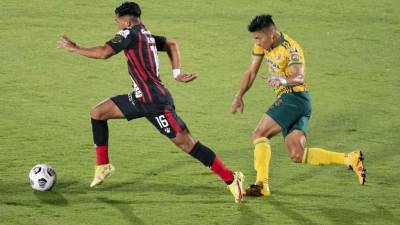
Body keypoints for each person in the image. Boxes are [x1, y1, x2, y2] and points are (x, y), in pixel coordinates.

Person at [58, 1, 244, 203]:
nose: (116, 25)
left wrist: (76, 49)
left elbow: (104, 52)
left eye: (117, 21)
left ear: (126, 20)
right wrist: (177, 73)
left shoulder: (129, 33)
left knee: (188, 144)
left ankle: (232, 179)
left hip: (156, 103)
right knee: (98, 113)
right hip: (140, 99)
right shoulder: (146, 34)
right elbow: (171, 44)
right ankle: (103, 165)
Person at [230, 14, 366, 197]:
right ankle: (350, 158)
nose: (257, 42)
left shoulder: (291, 49)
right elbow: (251, 71)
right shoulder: (262, 45)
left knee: (259, 133)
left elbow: (299, 77)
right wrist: (239, 95)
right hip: (300, 102)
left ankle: (262, 184)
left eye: (258, 38)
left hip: (293, 98)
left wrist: (281, 79)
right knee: (297, 154)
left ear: (271, 35)